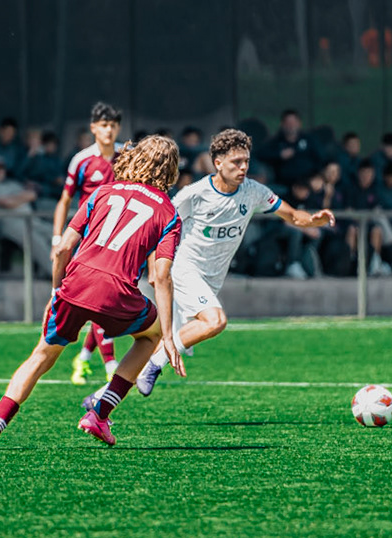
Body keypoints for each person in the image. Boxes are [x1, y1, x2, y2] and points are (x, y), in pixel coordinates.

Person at [0, 135, 189, 451]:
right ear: (171, 170)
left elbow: (63, 248)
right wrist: (168, 335)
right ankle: (100, 414)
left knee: (41, 356)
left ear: (135, 158)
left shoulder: (103, 191)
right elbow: (162, 276)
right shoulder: (169, 213)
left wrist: (55, 291)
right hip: (117, 293)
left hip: (75, 284)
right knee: (149, 337)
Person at [109, 129, 333, 401]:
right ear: (218, 163)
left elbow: (293, 216)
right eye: (236, 162)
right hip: (184, 270)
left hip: (211, 280)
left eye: (246, 161)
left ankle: (101, 399)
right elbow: (159, 226)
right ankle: (156, 364)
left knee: (164, 339)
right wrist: (154, 267)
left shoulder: (253, 191)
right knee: (215, 321)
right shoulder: (195, 194)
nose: (243, 167)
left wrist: (313, 220)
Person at [51, 102, 124, 385]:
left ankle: (82, 358)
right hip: (90, 240)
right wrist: (58, 239)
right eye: (104, 125)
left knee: (105, 300)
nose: (109, 130)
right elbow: (65, 200)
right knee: (100, 299)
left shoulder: (126, 157)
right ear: (93, 128)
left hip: (120, 239)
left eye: (113, 125)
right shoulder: (81, 160)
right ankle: (111, 365)